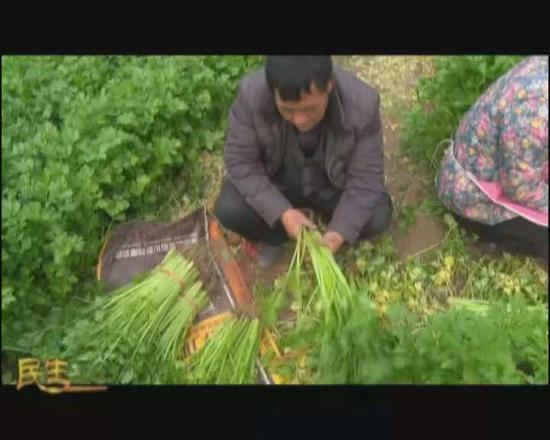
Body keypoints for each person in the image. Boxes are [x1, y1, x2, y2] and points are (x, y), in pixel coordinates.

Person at [214, 56, 393, 267]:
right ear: (273, 92)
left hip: (331, 185)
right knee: (229, 207)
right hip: (279, 183)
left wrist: (338, 233)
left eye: (309, 109)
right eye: (287, 110)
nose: (299, 120)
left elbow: (366, 179)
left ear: (329, 85)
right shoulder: (251, 96)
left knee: (378, 214)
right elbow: (241, 164)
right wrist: (282, 212)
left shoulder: (362, 104)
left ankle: (329, 229)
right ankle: (275, 236)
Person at [436, 56, 548, 262]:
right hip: (474, 193)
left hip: (509, 163)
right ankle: (490, 237)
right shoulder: (535, 110)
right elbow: (519, 187)